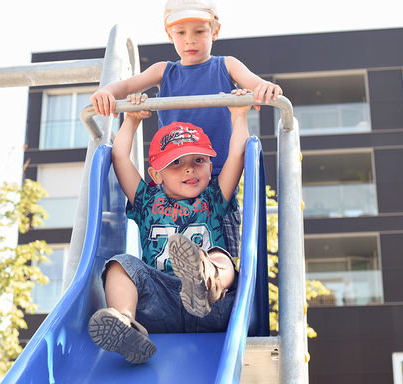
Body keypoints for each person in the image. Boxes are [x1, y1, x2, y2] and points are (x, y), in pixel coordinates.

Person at [90, 0, 282, 266]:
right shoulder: (163, 71)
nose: (190, 40)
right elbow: (126, 85)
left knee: (221, 248)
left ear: (215, 31)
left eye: (199, 31)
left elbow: (254, 82)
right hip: (173, 172)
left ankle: (216, 286)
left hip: (215, 174)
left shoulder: (226, 65)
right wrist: (107, 93)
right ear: (169, 35)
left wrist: (263, 88)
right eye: (181, 33)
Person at [88, 93, 252, 364]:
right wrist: (131, 119)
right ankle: (127, 326)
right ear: (156, 174)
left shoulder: (214, 196)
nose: (189, 170)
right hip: (158, 305)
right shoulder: (146, 199)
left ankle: (205, 281)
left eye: (198, 161)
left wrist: (239, 115)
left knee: (219, 255)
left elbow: (238, 153)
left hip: (212, 307)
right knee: (120, 264)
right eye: (176, 163)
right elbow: (119, 157)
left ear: (211, 166)